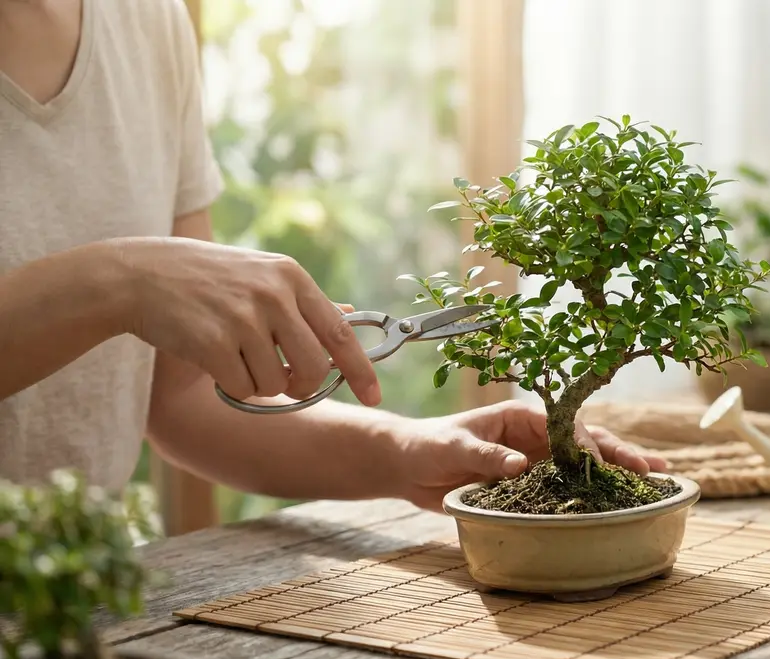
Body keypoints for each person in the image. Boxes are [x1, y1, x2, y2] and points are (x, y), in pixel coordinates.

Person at [0, 0, 663, 511]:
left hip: (75, 610)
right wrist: (115, 281)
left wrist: (405, 450)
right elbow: (130, 295)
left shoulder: (145, 19)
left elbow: (185, 397)